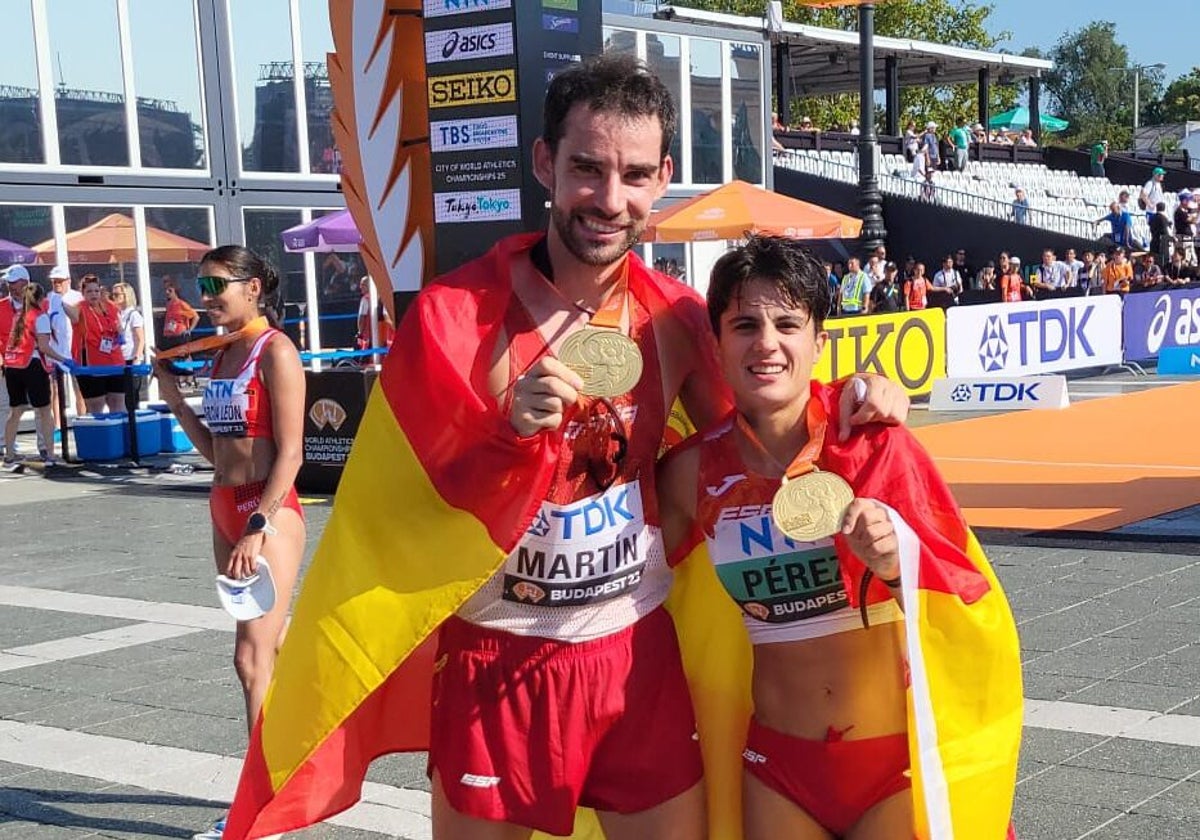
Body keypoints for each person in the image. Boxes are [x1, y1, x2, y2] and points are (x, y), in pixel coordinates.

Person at [220, 54, 912, 840]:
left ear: (663, 179)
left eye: (635, 175)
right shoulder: (454, 317)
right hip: (498, 661)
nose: (609, 200)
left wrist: (857, 395)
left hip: (635, 655)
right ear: (545, 162)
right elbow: (403, 507)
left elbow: (762, 425)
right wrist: (502, 428)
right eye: (587, 168)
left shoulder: (676, 320)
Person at [657, 234, 1021, 840]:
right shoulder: (690, 473)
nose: (766, 343)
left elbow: (962, 597)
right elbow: (630, 592)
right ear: (716, 346)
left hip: (892, 768)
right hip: (775, 770)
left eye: (787, 323)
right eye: (744, 324)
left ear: (819, 342)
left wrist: (900, 561)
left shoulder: (875, 443)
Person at [153, 246, 306, 840]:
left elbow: (290, 453)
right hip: (223, 506)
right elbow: (214, 451)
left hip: (264, 514)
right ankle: (312, 747)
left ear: (254, 289)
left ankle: (259, 809)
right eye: (203, 283)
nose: (207, 294)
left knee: (249, 659)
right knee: (275, 644)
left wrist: (259, 524)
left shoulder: (276, 351)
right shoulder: (222, 355)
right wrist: (172, 398)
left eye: (218, 283)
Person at [3, 280, 74, 467]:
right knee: (44, 411)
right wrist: (63, 359)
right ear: (41, 299)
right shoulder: (39, 317)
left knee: (15, 411)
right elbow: (43, 346)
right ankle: (50, 454)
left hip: (13, 367)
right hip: (32, 365)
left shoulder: (18, 316)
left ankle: (9, 454)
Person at [64, 275, 125, 414]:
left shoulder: (109, 306)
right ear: (83, 294)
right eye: (89, 291)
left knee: (118, 403)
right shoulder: (80, 307)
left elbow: (118, 325)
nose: (94, 295)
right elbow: (70, 312)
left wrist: (120, 333)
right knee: (96, 406)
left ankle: (121, 434)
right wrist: (62, 298)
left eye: (96, 291)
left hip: (114, 361)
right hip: (91, 364)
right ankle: (99, 435)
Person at [112, 282, 146, 397]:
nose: (114, 298)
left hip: (131, 358)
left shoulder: (133, 315)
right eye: (113, 295)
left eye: (117, 295)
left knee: (131, 395)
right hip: (119, 357)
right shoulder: (119, 314)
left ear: (126, 295)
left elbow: (141, 339)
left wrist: (137, 358)